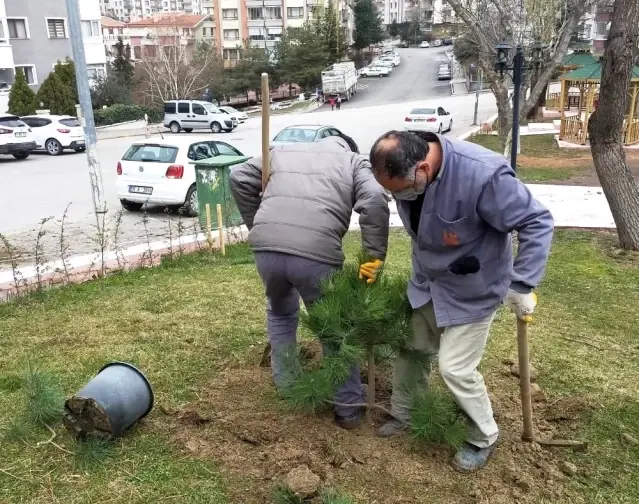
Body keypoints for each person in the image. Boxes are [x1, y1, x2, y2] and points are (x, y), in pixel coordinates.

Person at [368, 130, 554, 472]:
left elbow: (536, 221)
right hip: (428, 281)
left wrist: (523, 282)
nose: (400, 197)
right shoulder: (407, 176)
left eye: (402, 190)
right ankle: (406, 412)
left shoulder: (483, 175)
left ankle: (483, 435)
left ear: (423, 168)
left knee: (455, 367)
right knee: (412, 349)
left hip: (474, 289)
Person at [229, 134, 390, 430]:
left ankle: (289, 386)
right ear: (348, 146)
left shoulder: (282, 151)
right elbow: (377, 200)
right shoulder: (353, 161)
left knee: (280, 313)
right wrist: (371, 266)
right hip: (316, 253)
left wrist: (259, 226)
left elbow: (238, 176)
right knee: (334, 327)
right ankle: (348, 408)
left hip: (266, 250)